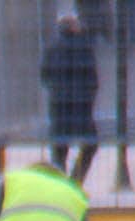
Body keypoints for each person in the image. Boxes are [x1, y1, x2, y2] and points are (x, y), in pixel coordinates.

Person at [38, 13, 100, 183]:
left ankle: (61, 184)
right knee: (91, 144)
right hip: (81, 108)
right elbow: (93, 80)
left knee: (59, 151)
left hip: (59, 107)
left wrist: (56, 90)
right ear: (75, 27)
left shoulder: (51, 48)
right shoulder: (84, 49)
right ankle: (75, 180)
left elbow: (44, 76)